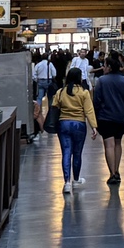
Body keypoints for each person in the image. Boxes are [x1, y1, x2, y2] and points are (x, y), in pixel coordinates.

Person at [48, 65, 98, 193]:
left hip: (63, 124)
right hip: (79, 125)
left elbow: (54, 106)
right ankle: (76, 180)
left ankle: (66, 183)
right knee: (77, 153)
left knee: (66, 152)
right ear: (79, 78)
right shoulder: (84, 92)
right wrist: (94, 126)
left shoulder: (61, 92)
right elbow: (89, 110)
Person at [92, 54, 124, 187]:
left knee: (108, 145)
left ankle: (112, 173)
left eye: (105, 65)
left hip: (105, 118)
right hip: (121, 118)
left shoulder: (101, 81)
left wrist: (94, 118)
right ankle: (117, 171)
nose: (103, 68)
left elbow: (97, 101)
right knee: (118, 143)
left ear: (109, 67)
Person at [29, 48, 56, 143]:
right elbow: (54, 73)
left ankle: (38, 111)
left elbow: (33, 74)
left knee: (39, 97)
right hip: (48, 82)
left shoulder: (38, 64)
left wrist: (37, 80)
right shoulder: (50, 64)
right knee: (50, 98)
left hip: (40, 82)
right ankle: (51, 111)